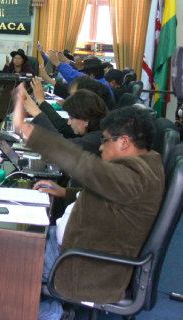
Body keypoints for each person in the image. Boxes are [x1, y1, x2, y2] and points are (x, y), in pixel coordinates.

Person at [12, 83, 164, 320]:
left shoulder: (133, 176)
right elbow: (110, 198)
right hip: (76, 245)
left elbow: (83, 164)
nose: (100, 148)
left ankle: (53, 313)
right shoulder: (146, 161)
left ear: (124, 141)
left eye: (105, 141)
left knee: (0, 262)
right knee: (11, 241)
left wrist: (26, 129)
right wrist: (67, 194)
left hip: (79, 263)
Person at [23, 78, 107, 155]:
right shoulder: (96, 129)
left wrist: (37, 112)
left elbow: (63, 147)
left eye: (71, 118)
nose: (68, 122)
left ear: (86, 119)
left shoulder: (97, 138)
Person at [48, 50, 114, 98]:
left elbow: (74, 75)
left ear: (92, 75)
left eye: (83, 73)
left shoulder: (96, 86)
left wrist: (58, 64)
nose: (81, 74)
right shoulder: (103, 83)